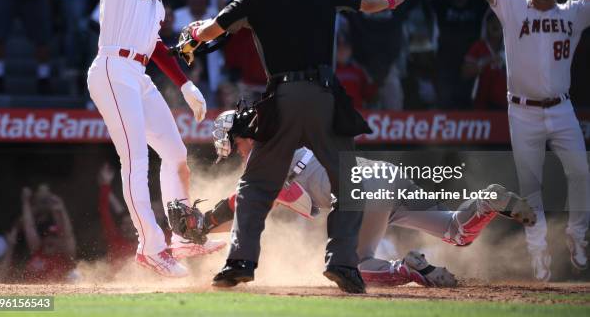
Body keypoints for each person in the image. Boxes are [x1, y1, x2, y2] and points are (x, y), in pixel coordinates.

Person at [187, 0, 410, 293]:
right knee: (348, 184)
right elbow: (367, 2)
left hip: (282, 100)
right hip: (324, 98)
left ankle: (240, 263)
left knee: (256, 187)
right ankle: (343, 264)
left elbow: (209, 32)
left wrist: (193, 33)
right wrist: (392, 1)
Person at [181, 106, 537, 288]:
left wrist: (206, 222)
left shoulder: (267, 159)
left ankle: (410, 268)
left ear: (243, 135)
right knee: (457, 233)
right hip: (384, 176)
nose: (230, 145)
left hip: (365, 193)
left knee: (352, 269)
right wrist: (210, 223)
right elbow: (252, 202)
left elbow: (251, 203)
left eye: (232, 137)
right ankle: (487, 201)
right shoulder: (287, 144)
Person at [86, 0, 224, 278]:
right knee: (135, 160)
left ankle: (182, 236)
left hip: (137, 71)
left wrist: (185, 83)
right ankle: (151, 246)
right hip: (113, 69)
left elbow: (156, 45)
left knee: (176, 154)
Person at [468, 0, 590, 281]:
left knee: (582, 172)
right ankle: (538, 252)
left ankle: (578, 235)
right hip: (522, 111)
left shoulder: (573, 12)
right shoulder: (515, 5)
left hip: (561, 107)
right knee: (530, 184)